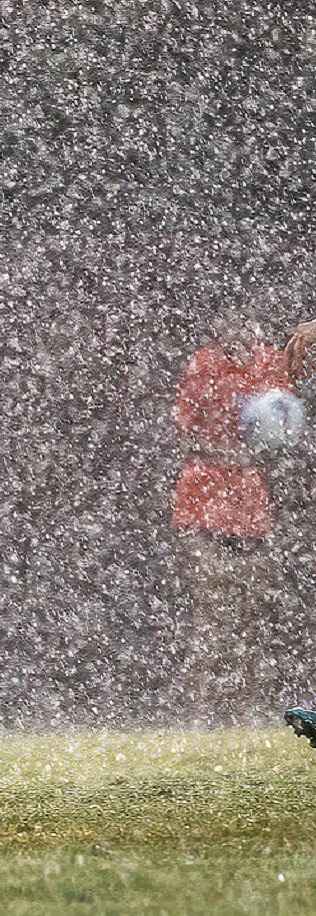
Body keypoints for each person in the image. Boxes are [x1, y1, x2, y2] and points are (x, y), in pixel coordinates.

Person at [171, 309, 292, 725]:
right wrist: (226, 455)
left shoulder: (270, 363)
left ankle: (247, 713)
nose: (235, 330)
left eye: (243, 321)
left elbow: (282, 424)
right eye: (226, 322)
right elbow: (186, 430)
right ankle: (197, 715)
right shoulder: (204, 366)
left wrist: (257, 454)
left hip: (248, 503)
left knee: (252, 618)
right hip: (205, 499)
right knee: (210, 615)